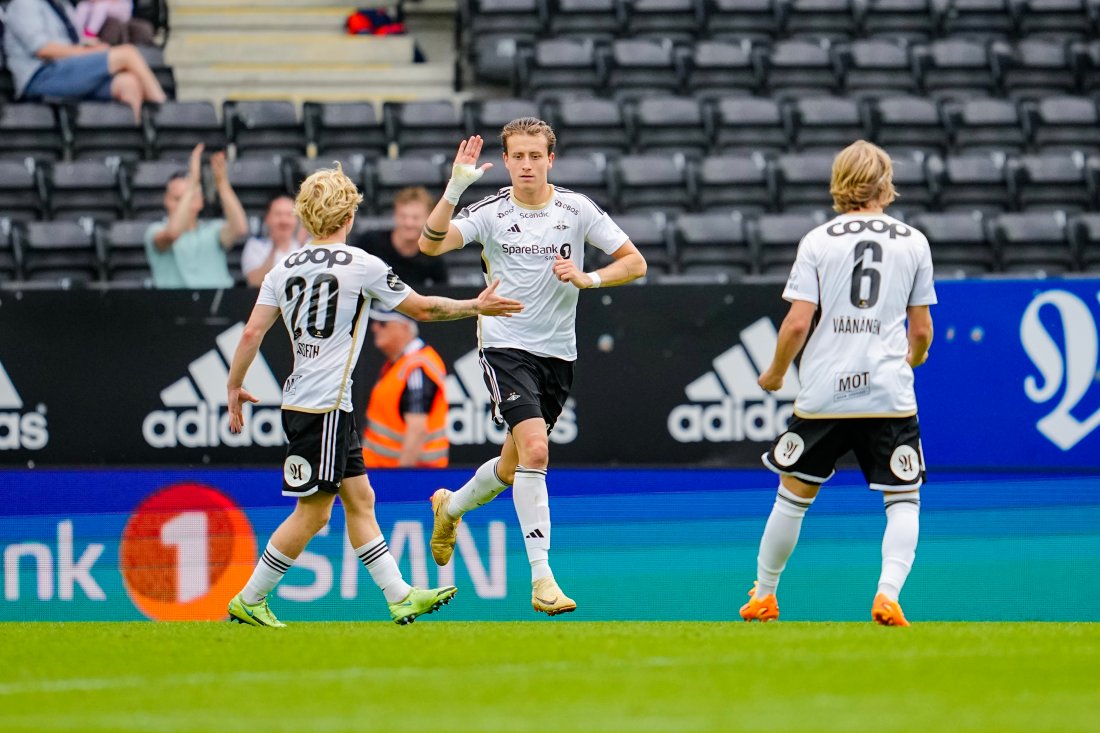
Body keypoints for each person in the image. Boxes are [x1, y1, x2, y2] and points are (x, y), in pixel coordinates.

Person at [224, 163, 523, 627]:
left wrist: (234, 385)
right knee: (315, 513)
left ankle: (400, 596)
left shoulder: (281, 269)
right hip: (323, 406)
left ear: (305, 217)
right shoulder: (362, 265)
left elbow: (251, 334)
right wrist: (475, 305)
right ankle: (250, 597)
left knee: (360, 500)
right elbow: (422, 309)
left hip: (313, 402)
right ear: (349, 218)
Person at [418, 120, 648, 616]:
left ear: (550, 159)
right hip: (504, 345)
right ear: (505, 161)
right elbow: (430, 244)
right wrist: (455, 188)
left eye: (534, 156)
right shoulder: (491, 212)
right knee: (537, 450)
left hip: (558, 354)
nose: (526, 165)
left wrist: (590, 277)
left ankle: (450, 507)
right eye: (517, 156)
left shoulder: (576, 209)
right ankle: (542, 580)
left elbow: (635, 263)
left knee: (512, 465)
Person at [740, 140, 936, 627]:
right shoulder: (913, 240)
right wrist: (913, 359)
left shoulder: (819, 240)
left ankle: (764, 595)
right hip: (888, 395)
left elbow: (796, 324)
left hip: (826, 393)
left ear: (839, 182)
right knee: (903, 499)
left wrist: (777, 371)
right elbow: (922, 330)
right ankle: (887, 595)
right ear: (885, 183)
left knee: (792, 496)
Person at [4, 0, 166, 122]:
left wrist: (87, 45)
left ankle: (135, 147)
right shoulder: (23, 4)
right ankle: (164, 112)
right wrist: (85, 52)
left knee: (128, 83)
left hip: (68, 70)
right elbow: (42, 49)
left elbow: (69, 42)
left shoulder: (62, 5)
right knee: (127, 54)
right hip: (41, 76)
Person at [144, 143, 249, 289]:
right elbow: (173, 233)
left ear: (200, 202)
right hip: (173, 306)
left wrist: (222, 184)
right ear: (166, 201)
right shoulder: (155, 230)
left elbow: (240, 228)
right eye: (177, 199)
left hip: (218, 305)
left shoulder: (213, 230)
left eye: (189, 198)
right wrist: (192, 183)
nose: (184, 205)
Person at [362, 308, 450, 468]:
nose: (374, 328)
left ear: (404, 327)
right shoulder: (400, 363)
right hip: (381, 472)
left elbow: (417, 429)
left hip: (410, 478)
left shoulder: (416, 366)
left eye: (383, 323)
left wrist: (400, 478)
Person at [353, 186, 448, 289]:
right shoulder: (370, 243)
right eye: (403, 216)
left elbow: (442, 291)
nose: (409, 223)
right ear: (395, 215)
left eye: (415, 217)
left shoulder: (432, 255)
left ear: (428, 219)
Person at [241, 195, 308, 287]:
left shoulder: (305, 246)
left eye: (289, 215)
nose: (284, 221)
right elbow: (255, 281)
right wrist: (275, 248)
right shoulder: (255, 245)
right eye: (278, 214)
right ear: (267, 218)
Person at [73, 0, 155, 46]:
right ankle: (76, 33)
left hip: (121, 9)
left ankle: (90, 33)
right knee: (83, 6)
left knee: (101, 6)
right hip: (101, 7)